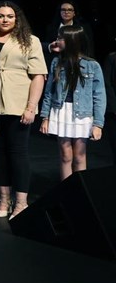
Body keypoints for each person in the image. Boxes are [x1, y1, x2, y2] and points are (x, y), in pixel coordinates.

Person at [0, 1, 46, 219]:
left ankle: (21, 202)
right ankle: (4, 200)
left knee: (18, 153)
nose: (5, 20)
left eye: (10, 16)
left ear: (17, 19)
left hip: (18, 104)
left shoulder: (30, 41)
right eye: (0, 16)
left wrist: (31, 107)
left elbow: (38, 76)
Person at [39, 25, 105, 180]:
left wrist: (98, 124)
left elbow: (99, 96)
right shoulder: (57, 62)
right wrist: (45, 117)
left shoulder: (92, 65)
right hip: (61, 111)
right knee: (65, 155)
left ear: (72, 41)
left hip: (82, 113)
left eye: (61, 38)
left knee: (79, 156)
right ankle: (66, 190)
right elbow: (49, 92)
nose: (57, 41)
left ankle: (81, 190)